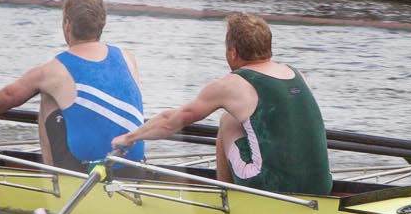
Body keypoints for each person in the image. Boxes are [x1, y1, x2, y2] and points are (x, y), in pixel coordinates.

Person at [0, 0, 145, 169]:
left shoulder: (52, 71)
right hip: (135, 167)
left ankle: (51, 181)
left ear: (67, 25)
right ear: (102, 25)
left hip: (86, 173)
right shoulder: (127, 57)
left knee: (48, 96)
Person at [112, 12, 332, 197]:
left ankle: (224, 196)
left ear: (233, 52)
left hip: (270, 186)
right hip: (322, 186)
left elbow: (172, 122)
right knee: (247, 123)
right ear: (269, 48)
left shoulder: (232, 85)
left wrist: (130, 137)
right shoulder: (297, 74)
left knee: (228, 121)